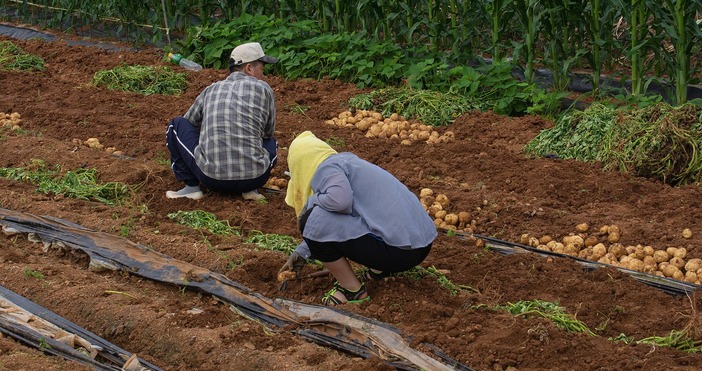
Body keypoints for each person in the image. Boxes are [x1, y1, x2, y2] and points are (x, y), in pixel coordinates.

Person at [279, 131, 437, 305]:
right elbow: (348, 214)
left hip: (399, 252)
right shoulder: (349, 164)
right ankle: (380, 270)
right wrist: (304, 250)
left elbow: (340, 203)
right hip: (420, 246)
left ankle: (351, 290)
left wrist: (312, 201)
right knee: (323, 215)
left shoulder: (326, 168)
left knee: (311, 218)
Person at [165, 42, 279, 200]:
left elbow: (189, 122)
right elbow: (267, 132)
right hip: (255, 177)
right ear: (249, 69)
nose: (264, 75)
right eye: (262, 69)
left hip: (212, 179)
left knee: (176, 125)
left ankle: (192, 187)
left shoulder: (211, 89)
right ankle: (250, 190)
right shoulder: (264, 89)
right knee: (271, 142)